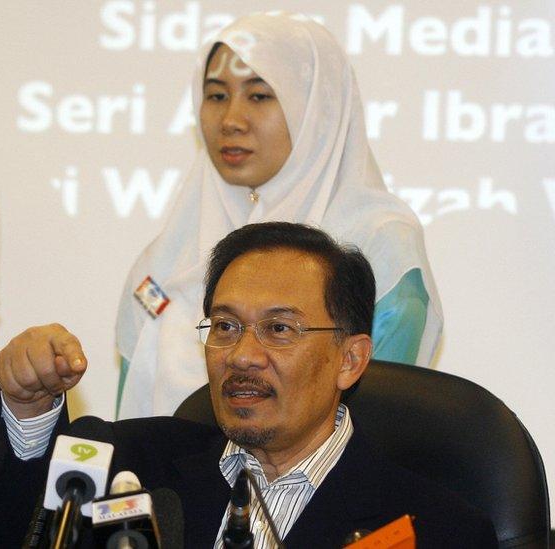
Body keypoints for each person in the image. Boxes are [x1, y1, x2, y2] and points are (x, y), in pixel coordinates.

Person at [0, 223, 495, 548]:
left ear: (350, 359)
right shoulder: (124, 467)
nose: (243, 355)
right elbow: (5, 534)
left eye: (279, 329)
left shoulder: (438, 530)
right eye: (225, 327)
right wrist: (29, 409)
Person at [115, 12, 441, 419]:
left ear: (316, 110)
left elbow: (376, 424)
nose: (231, 120)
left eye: (260, 95)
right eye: (216, 96)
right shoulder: (163, 260)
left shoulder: (380, 246)